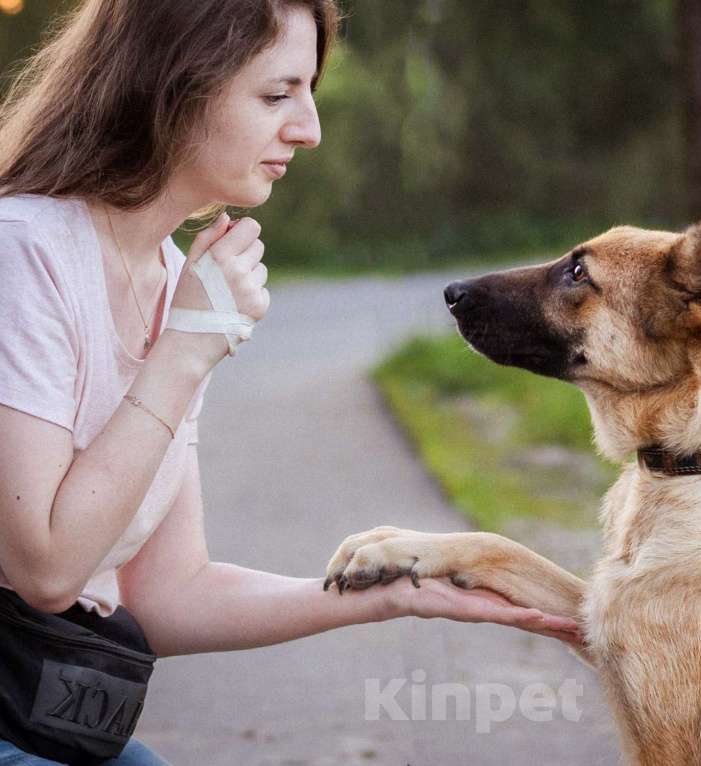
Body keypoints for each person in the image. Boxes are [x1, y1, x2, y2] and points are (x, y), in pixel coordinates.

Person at [0, 2, 580, 763]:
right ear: (171, 87)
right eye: (277, 95)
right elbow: (45, 568)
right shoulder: (24, 251)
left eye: (308, 94)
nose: (308, 129)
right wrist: (185, 348)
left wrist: (387, 596)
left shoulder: (177, 281)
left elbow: (169, 594)